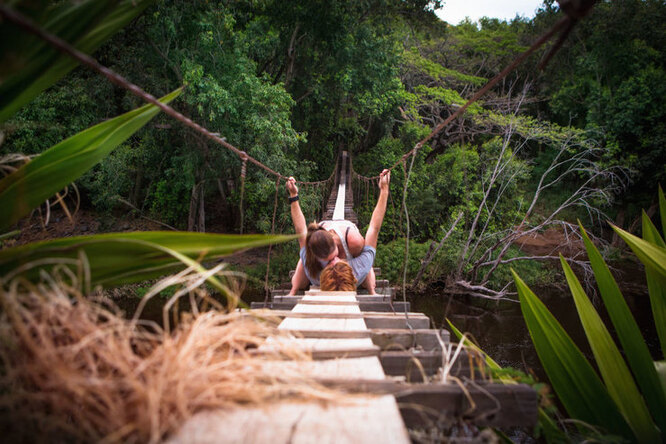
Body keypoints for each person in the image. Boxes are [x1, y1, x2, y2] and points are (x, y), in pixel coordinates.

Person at [286, 168, 391, 294]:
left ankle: (293, 290)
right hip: (345, 231)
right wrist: (384, 190)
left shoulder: (315, 277)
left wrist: (293, 196)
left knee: (306, 259)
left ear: (323, 275)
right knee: (366, 268)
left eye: (331, 264)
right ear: (352, 274)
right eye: (338, 263)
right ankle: (372, 290)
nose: (335, 260)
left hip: (325, 232)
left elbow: (301, 231)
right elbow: (374, 228)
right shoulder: (359, 268)